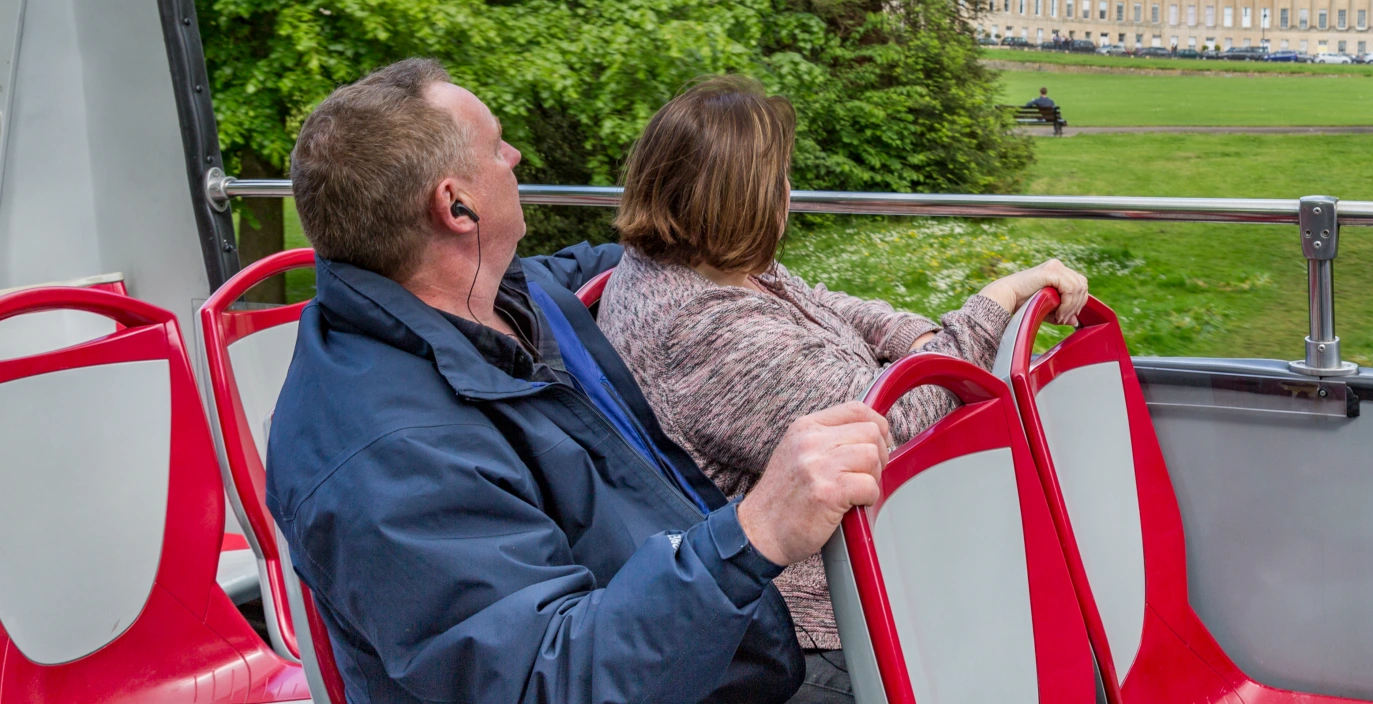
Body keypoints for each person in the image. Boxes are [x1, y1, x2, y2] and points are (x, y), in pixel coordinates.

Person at [266, 59, 891, 704]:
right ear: (456, 205)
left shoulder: (502, 295)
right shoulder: (387, 455)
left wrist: (698, 235)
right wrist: (755, 532)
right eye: (496, 144)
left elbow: (624, 260)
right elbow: (548, 681)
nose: (515, 154)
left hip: (720, 637)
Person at [598, 77, 1090, 701]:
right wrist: (1000, 298)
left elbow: (837, 307)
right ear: (744, 198)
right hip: (831, 620)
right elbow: (900, 426)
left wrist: (920, 340)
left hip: (879, 558)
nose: (788, 191)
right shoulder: (703, 330)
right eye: (778, 177)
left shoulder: (722, 267)